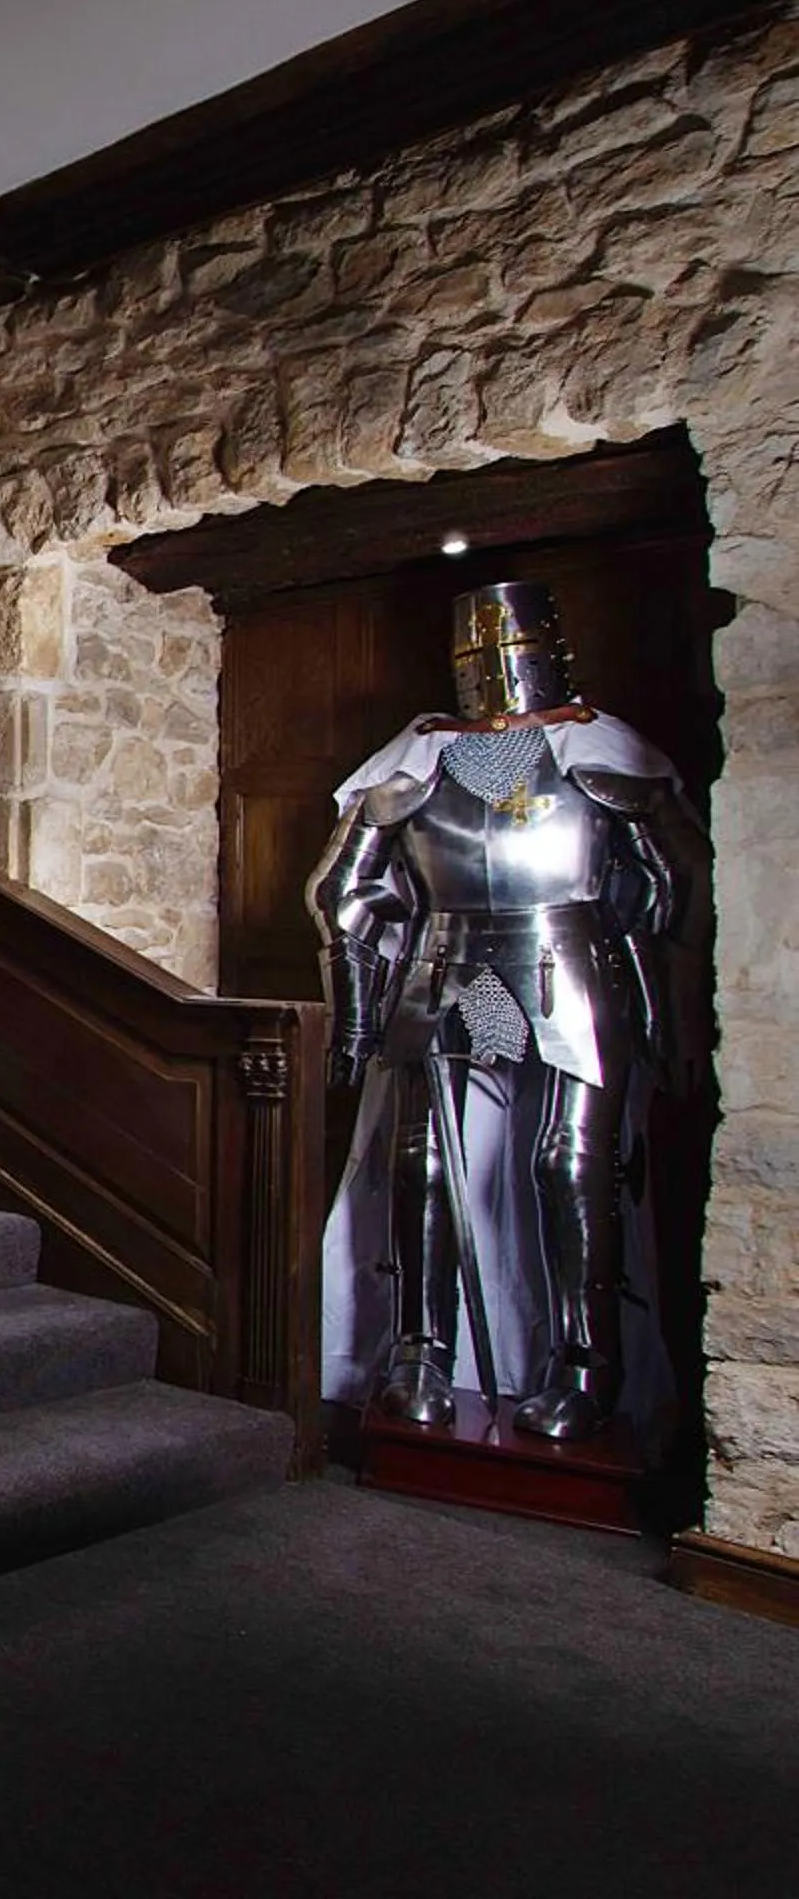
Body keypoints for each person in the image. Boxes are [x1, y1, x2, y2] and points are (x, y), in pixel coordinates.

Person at [308, 580, 706, 1441]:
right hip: (449, 970)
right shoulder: (415, 763)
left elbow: (666, 892)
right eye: (474, 653)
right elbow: (343, 895)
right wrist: (357, 1021)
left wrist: (666, 1020)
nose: (492, 668)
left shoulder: (598, 752)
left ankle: (586, 1364)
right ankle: (420, 1353)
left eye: (505, 647)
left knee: (569, 1165)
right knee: (429, 1169)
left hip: (570, 966)